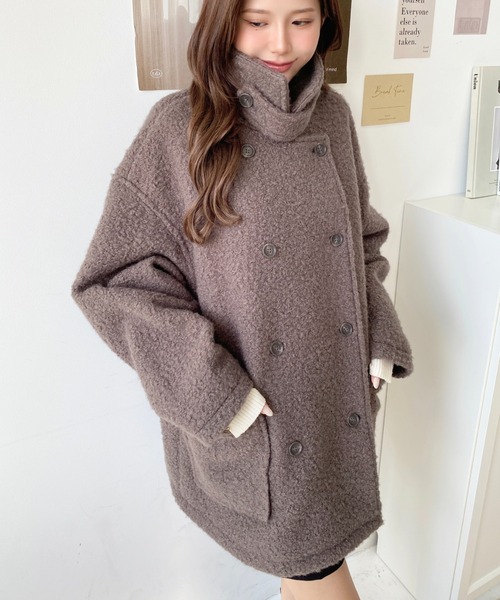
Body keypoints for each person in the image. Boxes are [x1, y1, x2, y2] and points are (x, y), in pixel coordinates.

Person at [71, 0, 413, 598]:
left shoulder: (332, 116)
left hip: (331, 395)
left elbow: (360, 241)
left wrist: (377, 334)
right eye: (257, 21)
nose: (280, 43)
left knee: (309, 563)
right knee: (316, 568)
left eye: (301, 21)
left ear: (325, 22)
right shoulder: (177, 127)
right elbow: (115, 282)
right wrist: (215, 395)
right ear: (224, 20)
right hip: (258, 412)